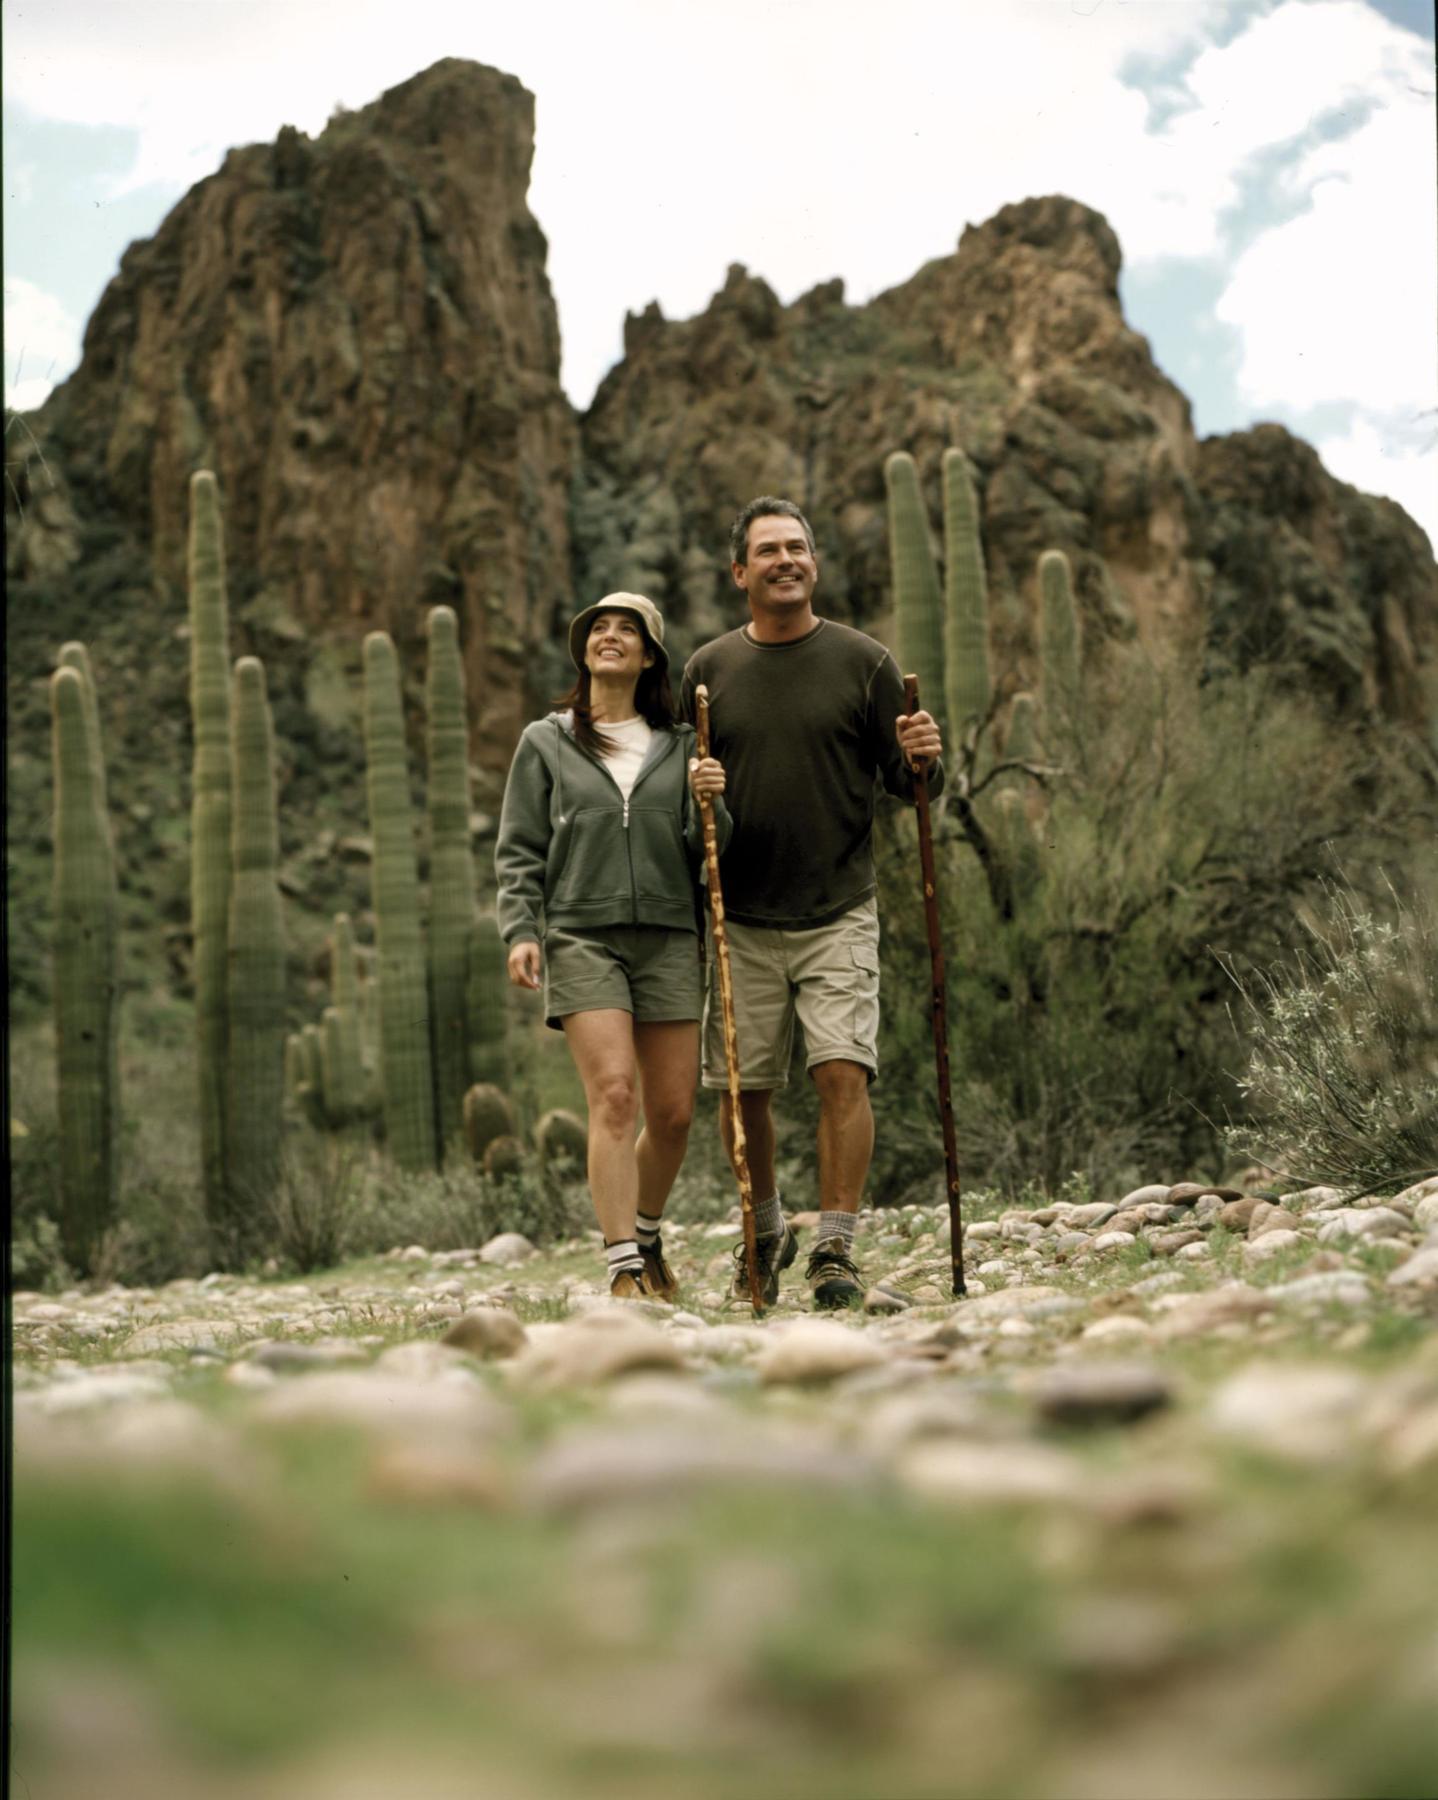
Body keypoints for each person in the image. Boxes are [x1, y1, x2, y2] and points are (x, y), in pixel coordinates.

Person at [680, 498, 943, 1309]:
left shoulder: (864, 663)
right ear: (739, 573)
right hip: (742, 918)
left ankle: (835, 1246)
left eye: (798, 547)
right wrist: (693, 791)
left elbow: (910, 786)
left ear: (815, 564)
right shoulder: (706, 674)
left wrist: (924, 758)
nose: (785, 560)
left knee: (841, 1074)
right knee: (745, 1091)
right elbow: (678, 801)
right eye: (767, 551)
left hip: (838, 907)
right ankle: (763, 1233)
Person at [495, 594, 728, 1302]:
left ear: (650, 655)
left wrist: (713, 803)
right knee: (615, 1095)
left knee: (675, 1112)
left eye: (628, 630)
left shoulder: (686, 743)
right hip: (580, 934)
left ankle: (648, 1234)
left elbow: (713, 851)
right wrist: (521, 928)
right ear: (583, 649)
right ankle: (623, 1266)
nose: (611, 636)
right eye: (599, 627)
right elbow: (520, 847)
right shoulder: (547, 739)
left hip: (668, 935)